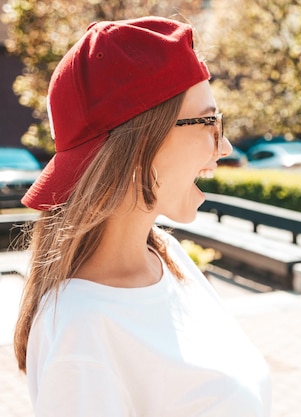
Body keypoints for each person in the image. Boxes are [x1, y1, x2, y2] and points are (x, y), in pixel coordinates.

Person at [13, 17, 271, 416]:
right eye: (210, 122)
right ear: (138, 147)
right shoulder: (80, 336)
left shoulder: (166, 255)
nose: (226, 146)